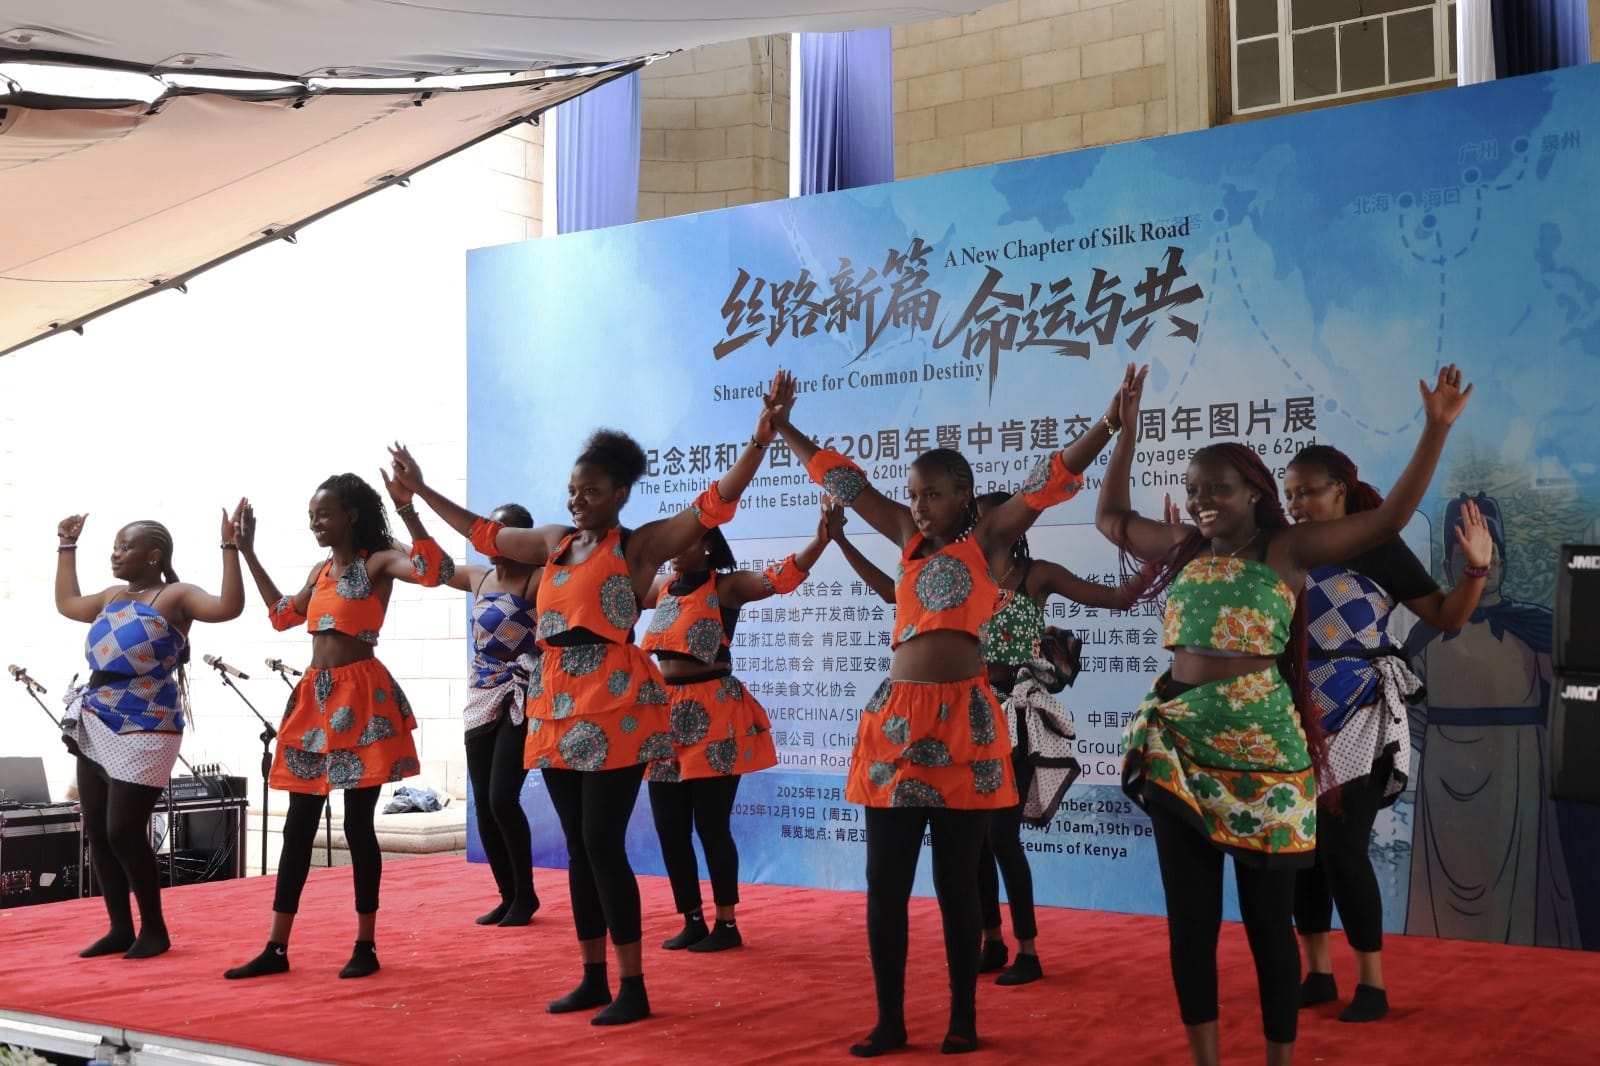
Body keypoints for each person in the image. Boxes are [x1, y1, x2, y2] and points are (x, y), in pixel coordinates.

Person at [1097, 365, 1474, 1066]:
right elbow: (1109, 516)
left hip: (1264, 754)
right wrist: (1122, 431)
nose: (1202, 500)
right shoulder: (1182, 551)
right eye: (1193, 489)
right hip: (1178, 743)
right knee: (1191, 924)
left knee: (1268, 924)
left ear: (1253, 494)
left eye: (1217, 488)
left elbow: (1387, 519)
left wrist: (1436, 430)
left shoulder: (1287, 550)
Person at [384, 384, 781, 1026]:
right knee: (577, 844)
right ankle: (594, 976)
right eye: (573, 489)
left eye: (591, 490)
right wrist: (420, 495)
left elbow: (713, 507)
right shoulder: (553, 543)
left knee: (601, 841)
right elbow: (484, 532)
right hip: (558, 700)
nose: (577, 499)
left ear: (620, 493)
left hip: (616, 702)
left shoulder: (638, 545)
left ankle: (633, 985)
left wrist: (760, 441)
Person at [769, 366, 1127, 1057]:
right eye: (915, 495)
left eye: (934, 493)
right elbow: (846, 482)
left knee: (958, 883)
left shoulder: (989, 541)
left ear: (964, 495)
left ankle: (963, 1017)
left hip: (966, 721)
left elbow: (1047, 484)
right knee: (885, 887)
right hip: (895, 725)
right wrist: (782, 426)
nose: (921, 504)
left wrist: (1107, 426)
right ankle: (890, 1021)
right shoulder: (904, 534)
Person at [827, 492, 1147, 987]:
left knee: (1001, 839)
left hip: (1017, 717)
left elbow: (1118, 598)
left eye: (999, 517)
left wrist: (1166, 555)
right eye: (982, 517)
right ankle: (991, 940)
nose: (990, 525)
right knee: (972, 847)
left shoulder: (1038, 575)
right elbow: (893, 594)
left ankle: (1029, 950)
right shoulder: (955, 573)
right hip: (964, 717)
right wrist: (840, 538)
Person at [1283, 446, 1491, 1022]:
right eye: (1289, 495)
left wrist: (1476, 569)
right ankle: (1318, 974)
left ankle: (1371, 983)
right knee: (1302, 852)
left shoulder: (1377, 545)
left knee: (1345, 851)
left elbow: (1447, 617)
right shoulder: (1282, 550)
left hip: (1362, 714)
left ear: (1341, 490)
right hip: (1292, 716)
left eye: (1307, 492)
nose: (1296, 505)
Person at [223, 472, 455, 980]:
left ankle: (365, 945)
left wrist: (410, 508)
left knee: (356, 825)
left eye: (323, 514)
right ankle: (276, 948)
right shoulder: (322, 570)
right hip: (314, 701)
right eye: (311, 516)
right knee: (297, 828)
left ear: (351, 514)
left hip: (362, 699)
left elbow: (436, 570)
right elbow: (283, 615)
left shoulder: (379, 561)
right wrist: (247, 551)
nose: (315, 524)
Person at [54, 508, 246, 958]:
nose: (116, 554)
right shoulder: (111, 596)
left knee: (123, 830)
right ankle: (120, 927)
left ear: (155, 555)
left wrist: (230, 546)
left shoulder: (176, 596)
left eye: (127, 547)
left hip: (148, 724)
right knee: (98, 831)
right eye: (116, 547)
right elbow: (67, 604)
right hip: (96, 716)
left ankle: (155, 930)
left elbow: (228, 607)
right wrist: (66, 546)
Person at [641, 515, 828, 953]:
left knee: (710, 825)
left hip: (715, 713)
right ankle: (691, 919)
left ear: (707, 545)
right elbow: (613, 591)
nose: (675, 548)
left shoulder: (726, 587)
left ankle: (726, 923)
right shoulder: (662, 587)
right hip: (664, 716)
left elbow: (780, 578)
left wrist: (820, 539)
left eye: (685, 541)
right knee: (670, 827)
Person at [443, 503, 543, 927]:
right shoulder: (478, 577)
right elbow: (430, 568)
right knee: (483, 805)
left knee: (503, 798)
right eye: (491, 529)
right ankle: (507, 895)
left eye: (505, 531)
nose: (494, 537)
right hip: (481, 694)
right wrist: (405, 510)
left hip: (522, 693)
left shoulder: (539, 579)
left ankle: (526, 894)